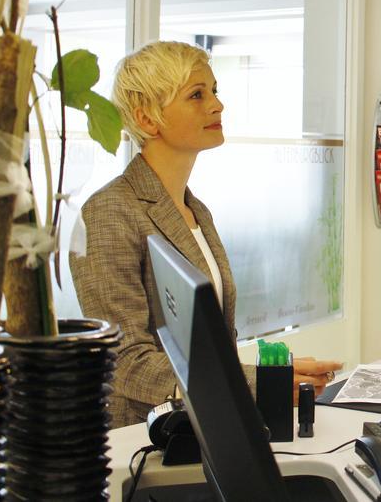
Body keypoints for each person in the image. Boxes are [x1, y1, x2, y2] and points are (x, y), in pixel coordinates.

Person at [71, 41, 342, 428]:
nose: (217, 105)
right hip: (146, 440)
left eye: (214, 91)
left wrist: (270, 376)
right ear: (147, 119)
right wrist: (257, 384)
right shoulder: (110, 212)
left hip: (212, 428)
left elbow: (207, 349)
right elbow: (127, 361)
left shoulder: (196, 210)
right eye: (197, 95)